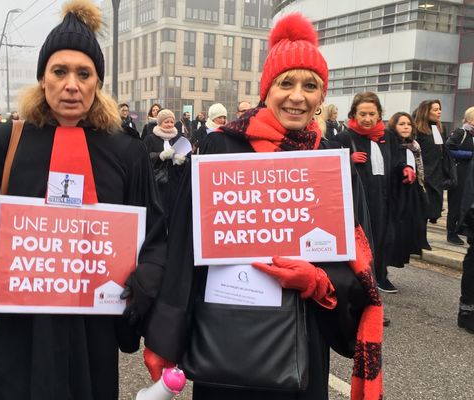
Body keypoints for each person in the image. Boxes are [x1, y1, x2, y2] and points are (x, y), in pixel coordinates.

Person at [143, 13, 383, 400]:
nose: (298, 96)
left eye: (311, 85)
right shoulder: (222, 146)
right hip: (226, 332)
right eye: (286, 83)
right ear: (266, 89)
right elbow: (185, 247)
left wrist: (320, 282)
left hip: (301, 340)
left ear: (322, 96)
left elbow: (357, 260)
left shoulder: (331, 159)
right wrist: (165, 338)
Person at [0, 1, 167, 398]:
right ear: (43, 79)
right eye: (60, 72)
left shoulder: (127, 153)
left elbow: (156, 235)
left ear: (97, 83)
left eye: (84, 73)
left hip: (91, 327)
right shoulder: (1, 142)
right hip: (19, 325)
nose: (71, 85)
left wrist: (145, 277)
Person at [333, 92, 409, 293]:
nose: (367, 119)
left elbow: (397, 160)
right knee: (361, 238)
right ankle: (360, 276)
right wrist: (347, 159)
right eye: (362, 114)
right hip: (359, 199)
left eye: (372, 114)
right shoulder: (343, 137)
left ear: (379, 115)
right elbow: (327, 166)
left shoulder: (389, 137)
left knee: (384, 236)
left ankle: (381, 276)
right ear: (354, 115)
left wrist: (405, 168)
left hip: (385, 197)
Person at [386, 112, 429, 268]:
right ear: (393, 126)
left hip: (411, 192)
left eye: (409, 124)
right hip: (395, 194)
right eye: (401, 124)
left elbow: (419, 169)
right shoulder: (390, 145)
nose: (406, 127)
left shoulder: (414, 146)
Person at [143, 109, 187, 222]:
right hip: (157, 182)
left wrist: (183, 160)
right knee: (159, 213)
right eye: (166, 122)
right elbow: (144, 157)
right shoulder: (150, 138)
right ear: (160, 122)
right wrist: (160, 156)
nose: (169, 125)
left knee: (174, 212)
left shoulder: (178, 138)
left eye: (172, 122)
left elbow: (188, 157)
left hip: (175, 182)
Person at [445, 107, 474, 245]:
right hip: (460, 173)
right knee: (456, 203)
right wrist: (469, 155)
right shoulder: (460, 132)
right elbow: (448, 148)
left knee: (467, 202)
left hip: (470, 174)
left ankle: (463, 227)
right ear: (470, 120)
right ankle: (452, 232)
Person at [413, 99, 445, 224]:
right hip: (423, 175)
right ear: (426, 112)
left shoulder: (438, 129)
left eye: (439, 109)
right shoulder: (417, 130)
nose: (439, 112)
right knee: (421, 211)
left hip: (436, 175)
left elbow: (441, 150)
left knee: (431, 210)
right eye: (435, 109)